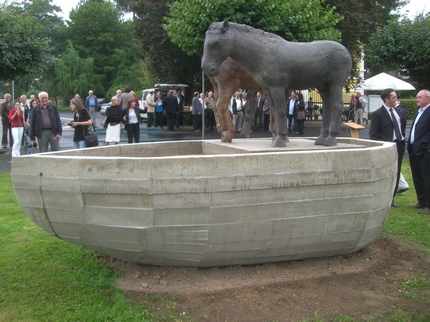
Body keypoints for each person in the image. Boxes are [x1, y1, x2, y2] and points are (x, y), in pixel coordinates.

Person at [369, 88, 406, 208]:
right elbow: (373, 135)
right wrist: (384, 145)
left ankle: (392, 197)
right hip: (388, 146)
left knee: (397, 171)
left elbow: (401, 128)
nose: (396, 99)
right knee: (388, 172)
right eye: (394, 97)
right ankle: (385, 197)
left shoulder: (398, 111)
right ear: (387, 99)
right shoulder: (378, 114)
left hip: (399, 144)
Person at [407, 89, 430, 214]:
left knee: (427, 177)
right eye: (417, 97)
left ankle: (429, 204)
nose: (417, 100)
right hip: (414, 149)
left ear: (428, 99)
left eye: (420, 97)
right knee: (417, 177)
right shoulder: (419, 112)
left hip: (425, 151)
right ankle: (421, 201)